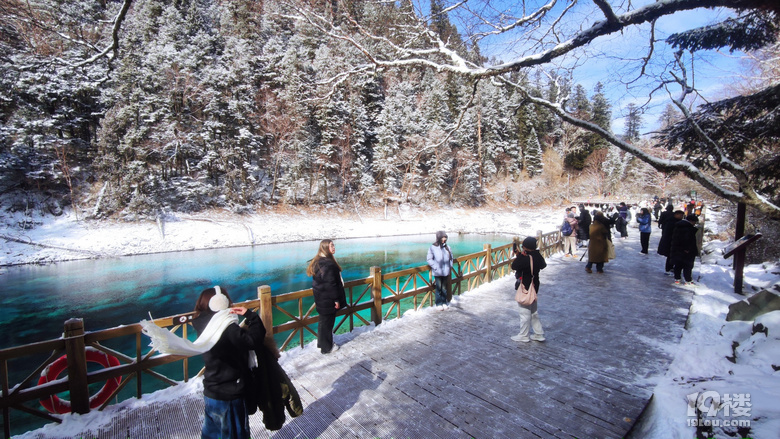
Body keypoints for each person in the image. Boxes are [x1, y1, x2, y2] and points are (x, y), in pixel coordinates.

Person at [191, 287, 265, 439]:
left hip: (212, 390)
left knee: (212, 434)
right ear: (221, 303)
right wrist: (251, 317)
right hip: (230, 392)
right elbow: (253, 341)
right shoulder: (227, 328)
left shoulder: (203, 323)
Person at [307, 239, 348, 354]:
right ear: (325, 248)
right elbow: (331, 284)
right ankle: (327, 348)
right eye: (331, 246)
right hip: (328, 299)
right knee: (328, 323)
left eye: (334, 245)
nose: (334, 247)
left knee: (323, 322)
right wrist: (336, 299)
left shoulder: (318, 261)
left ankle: (322, 343)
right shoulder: (328, 264)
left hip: (321, 297)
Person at [510, 237, 547, 342]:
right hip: (535, 285)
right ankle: (539, 334)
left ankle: (524, 335)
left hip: (526, 286)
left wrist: (521, 256)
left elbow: (515, 266)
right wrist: (522, 255)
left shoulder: (526, 258)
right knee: (533, 311)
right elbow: (543, 265)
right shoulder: (537, 256)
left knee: (524, 312)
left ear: (526, 247)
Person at [670, 214, 700, 285]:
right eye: (694, 222)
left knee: (678, 264)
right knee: (688, 265)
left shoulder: (680, 226)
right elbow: (686, 240)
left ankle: (677, 278)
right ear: (691, 221)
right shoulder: (687, 228)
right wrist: (687, 249)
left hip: (678, 249)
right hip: (686, 251)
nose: (695, 224)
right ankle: (688, 280)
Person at [427, 231, 454, 306]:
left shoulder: (447, 247)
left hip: (446, 271)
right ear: (438, 238)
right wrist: (435, 267)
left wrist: (450, 266)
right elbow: (429, 259)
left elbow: (451, 257)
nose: (444, 239)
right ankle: (438, 303)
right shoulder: (433, 247)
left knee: (444, 288)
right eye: (442, 237)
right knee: (438, 288)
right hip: (438, 272)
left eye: (445, 237)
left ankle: (444, 302)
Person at [657, 210, 685, 275]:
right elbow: (669, 232)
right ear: (676, 215)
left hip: (672, 241)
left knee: (672, 255)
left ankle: (670, 267)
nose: (681, 217)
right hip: (669, 241)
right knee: (670, 255)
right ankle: (668, 269)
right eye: (681, 215)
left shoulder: (675, 221)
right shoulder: (671, 222)